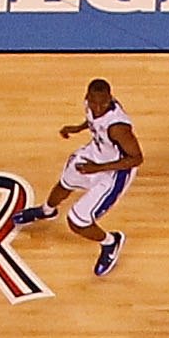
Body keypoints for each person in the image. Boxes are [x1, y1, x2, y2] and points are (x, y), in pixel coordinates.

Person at [30, 77, 145, 275]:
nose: (98, 107)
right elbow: (93, 120)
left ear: (110, 99)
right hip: (95, 154)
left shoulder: (118, 128)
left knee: (77, 222)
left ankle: (111, 242)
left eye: (103, 103)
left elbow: (136, 158)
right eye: (94, 102)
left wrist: (98, 168)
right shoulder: (90, 105)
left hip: (115, 172)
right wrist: (77, 128)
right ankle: (47, 211)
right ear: (87, 97)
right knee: (64, 184)